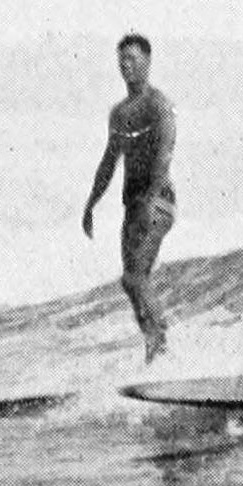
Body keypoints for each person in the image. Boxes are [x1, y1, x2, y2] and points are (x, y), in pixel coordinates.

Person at [84, 33, 177, 362]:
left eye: (133, 59)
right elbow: (109, 161)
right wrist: (91, 203)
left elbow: (165, 156)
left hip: (158, 201)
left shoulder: (158, 104)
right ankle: (155, 351)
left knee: (134, 277)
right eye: (122, 60)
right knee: (133, 282)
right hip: (132, 204)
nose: (127, 66)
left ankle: (161, 345)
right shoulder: (120, 113)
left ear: (148, 62)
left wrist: (150, 200)